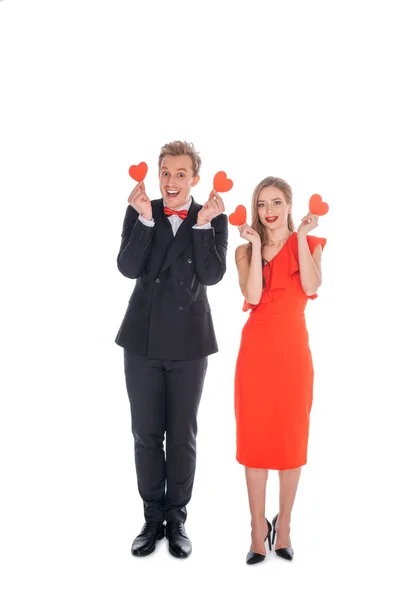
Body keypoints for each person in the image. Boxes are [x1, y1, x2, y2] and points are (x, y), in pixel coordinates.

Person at [115, 141, 228, 558]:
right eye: (166, 173)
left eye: (181, 174)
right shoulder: (142, 209)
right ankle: (151, 517)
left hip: (189, 342)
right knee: (146, 435)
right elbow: (128, 268)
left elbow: (212, 274)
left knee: (182, 435)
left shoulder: (212, 217)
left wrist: (203, 226)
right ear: (158, 175)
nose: (172, 181)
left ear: (194, 178)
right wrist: (145, 220)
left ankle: (176, 518)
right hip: (142, 340)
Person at [234, 176, 327, 564]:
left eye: (275, 203)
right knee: (255, 446)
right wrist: (256, 246)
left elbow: (310, 285)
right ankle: (258, 529)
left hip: (292, 359)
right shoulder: (243, 250)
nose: (268, 212)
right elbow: (253, 295)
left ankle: (284, 525)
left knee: (290, 446)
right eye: (261, 204)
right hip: (256, 357)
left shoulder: (311, 244)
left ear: (289, 205)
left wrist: (302, 238)